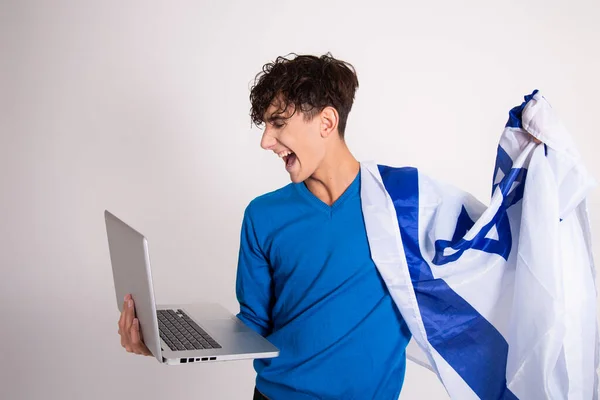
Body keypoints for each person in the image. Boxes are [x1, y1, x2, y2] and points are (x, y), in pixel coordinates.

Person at [117, 53, 541, 399]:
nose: (265, 140)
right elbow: (253, 324)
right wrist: (166, 340)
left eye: (278, 123)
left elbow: (493, 237)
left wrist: (535, 158)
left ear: (326, 122)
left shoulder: (404, 203)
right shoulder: (262, 216)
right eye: (265, 125)